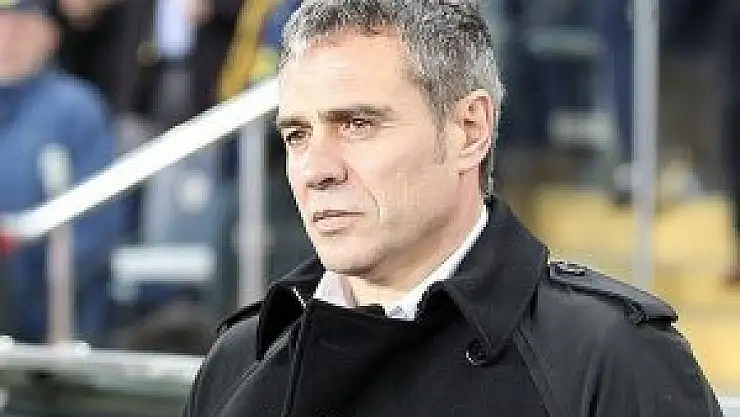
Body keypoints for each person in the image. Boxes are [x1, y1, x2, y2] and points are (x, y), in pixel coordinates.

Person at [183, 1, 723, 416]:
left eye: (358, 125)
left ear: (469, 130)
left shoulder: (612, 357)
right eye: (297, 135)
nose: (315, 169)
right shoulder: (240, 358)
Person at [0, 0, 122, 344]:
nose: (7, 38)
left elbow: (96, 226)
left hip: (50, 315)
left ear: (50, 36)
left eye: (21, 27)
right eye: (0, 25)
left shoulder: (77, 109)